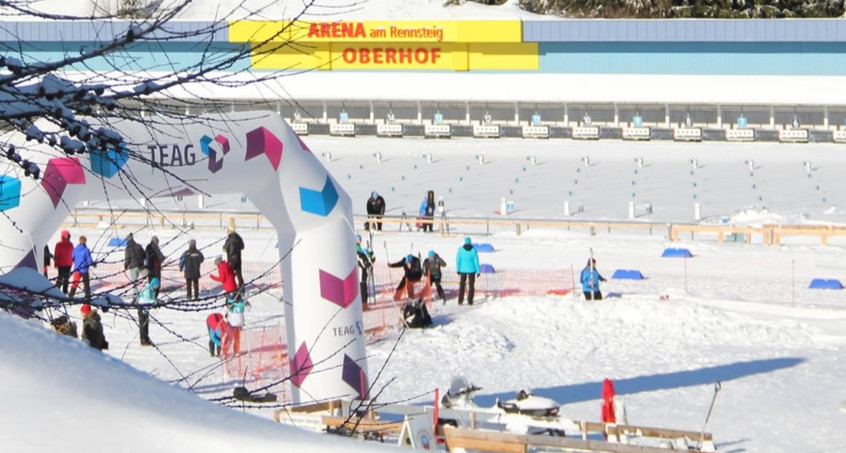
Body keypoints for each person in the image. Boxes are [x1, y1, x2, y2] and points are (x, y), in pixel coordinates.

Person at [455, 236, 480, 306]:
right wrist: (478, 271)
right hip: (472, 270)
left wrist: (458, 269)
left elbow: (458, 260)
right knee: (471, 286)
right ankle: (470, 301)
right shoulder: (473, 250)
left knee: (462, 285)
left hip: (462, 270)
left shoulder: (460, 249)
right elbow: (476, 261)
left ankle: (460, 300)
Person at [68, 235, 95, 300]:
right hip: (84, 269)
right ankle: (87, 296)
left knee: (75, 282)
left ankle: (70, 295)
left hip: (77, 269)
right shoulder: (86, 250)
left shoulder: (75, 249)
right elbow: (89, 259)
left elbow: (72, 257)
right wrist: (92, 264)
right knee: (86, 283)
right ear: (85, 241)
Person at [123, 233, 146, 302]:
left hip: (133, 267)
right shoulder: (139, 246)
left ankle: (136, 299)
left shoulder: (128, 248)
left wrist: (125, 265)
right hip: (141, 266)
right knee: (146, 281)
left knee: (134, 284)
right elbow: (144, 255)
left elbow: (127, 259)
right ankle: (146, 295)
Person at [136, 276, 158, 346]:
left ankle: (146, 339)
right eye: (156, 285)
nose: (156, 287)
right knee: (143, 325)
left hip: (146, 310)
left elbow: (152, 300)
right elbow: (147, 300)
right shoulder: (147, 289)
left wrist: (156, 303)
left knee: (146, 325)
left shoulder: (152, 289)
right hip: (142, 308)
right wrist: (156, 302)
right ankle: (143, 340)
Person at [355, 234, 375, 307]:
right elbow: (361, 258)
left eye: (360, 239)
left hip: (362, 271)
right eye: (358, 239)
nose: (360, 240)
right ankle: (364, 304)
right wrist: (368, 259)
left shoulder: (358, 247)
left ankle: (363, 304)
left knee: (362, 287)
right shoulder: (356, 248)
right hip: (360, 272)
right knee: (362, 287)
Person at [223, 226, 245, 291]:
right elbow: (242, 247)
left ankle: (232, 288)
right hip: (238, 259)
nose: (226, 231)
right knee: (239, 275)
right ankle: (242, 288)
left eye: (228, 230)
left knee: (230, 275)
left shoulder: (229, 240)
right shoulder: (239, 238)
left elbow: (224, 249)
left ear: (231, 231)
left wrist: (223, 247)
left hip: (231, 260)